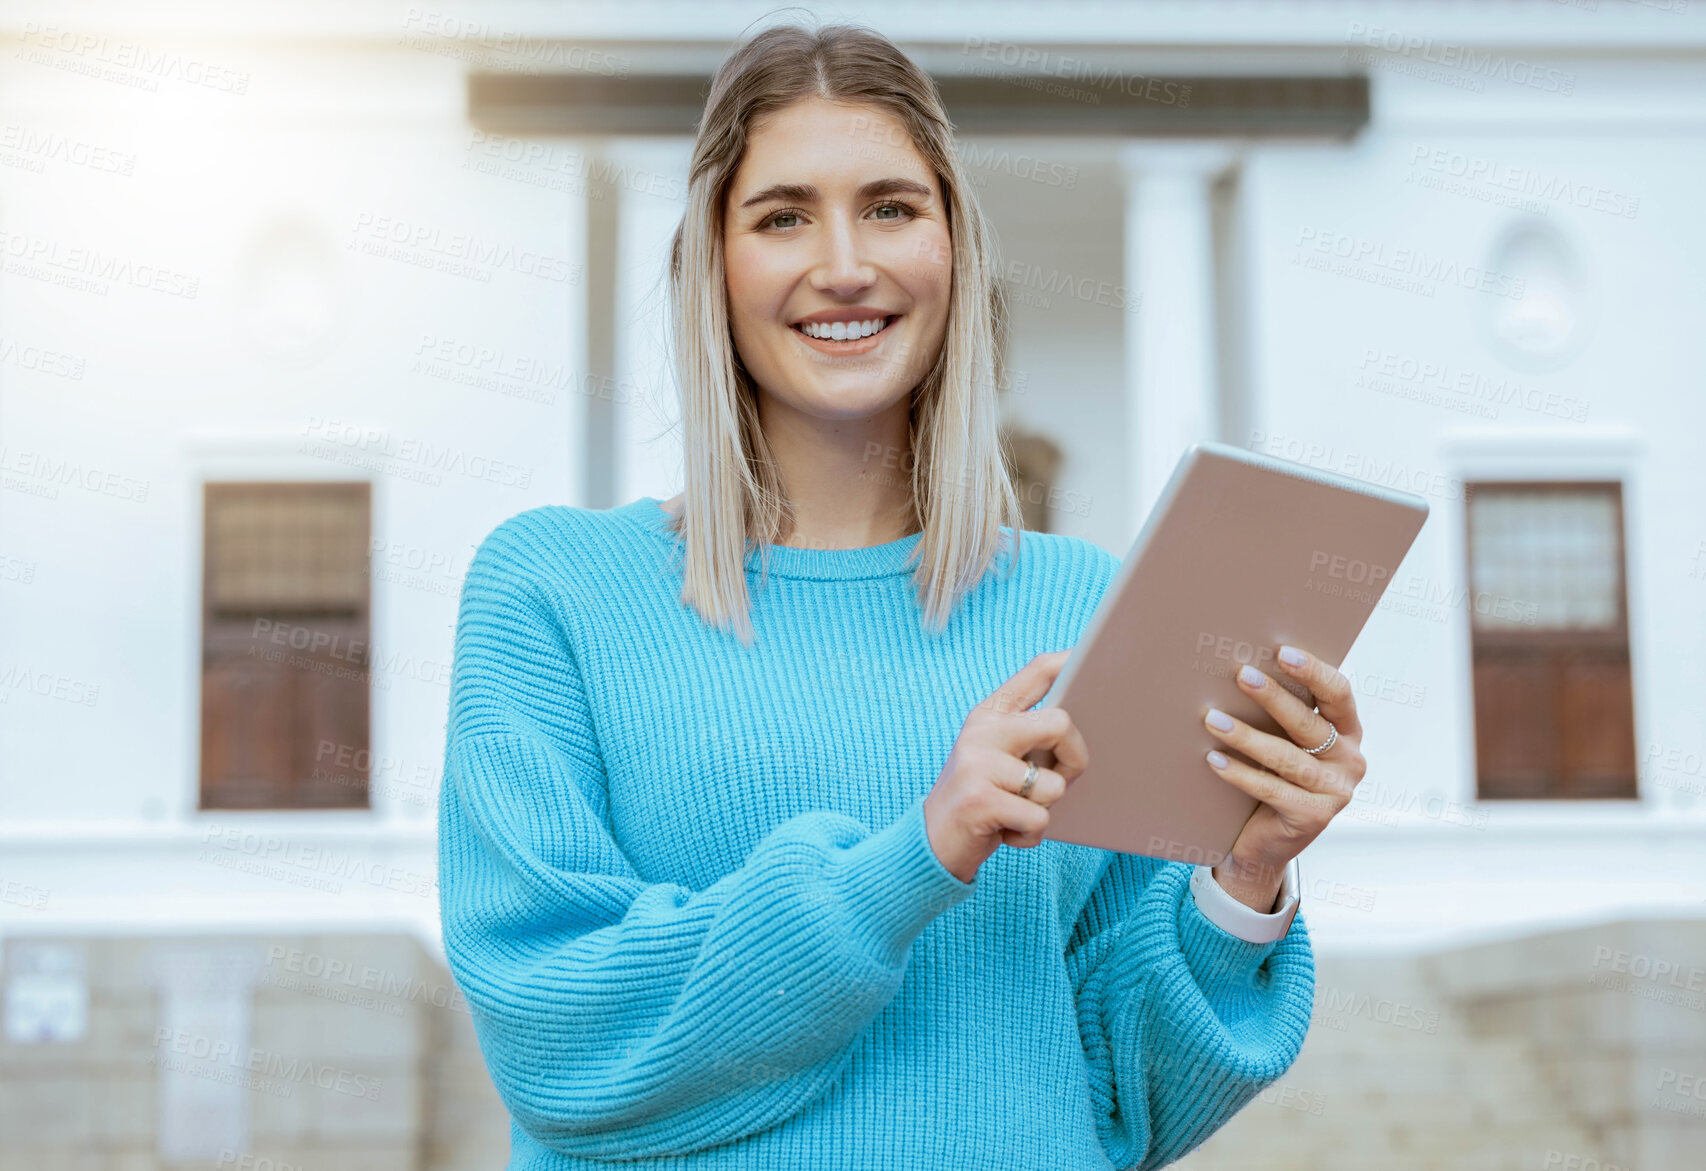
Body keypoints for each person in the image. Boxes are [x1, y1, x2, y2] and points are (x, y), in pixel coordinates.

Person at [439, 19, 1369, 1171]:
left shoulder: (1085, 609)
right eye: (782, 215)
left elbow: (1123, 1097)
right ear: (712, 264)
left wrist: (1247, 871)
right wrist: (914, 856)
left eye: (890, 206)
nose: (843, 263)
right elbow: (555, 1037)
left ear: (952, 248)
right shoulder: (552, 593)